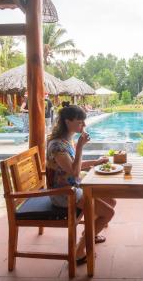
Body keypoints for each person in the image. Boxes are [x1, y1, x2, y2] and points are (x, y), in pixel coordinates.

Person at [46, 101, 116, 264]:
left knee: (111, 200)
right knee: (109, 213)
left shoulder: (66, 140)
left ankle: (91, 232)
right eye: (80, 122)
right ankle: (78, 250)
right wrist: (80, 147)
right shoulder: (57, 146)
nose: (84, 125)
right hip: (64, 194)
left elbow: (72, 166)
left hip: (74, 188)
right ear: (67, 122)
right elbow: (75, 171)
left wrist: (96, 162)